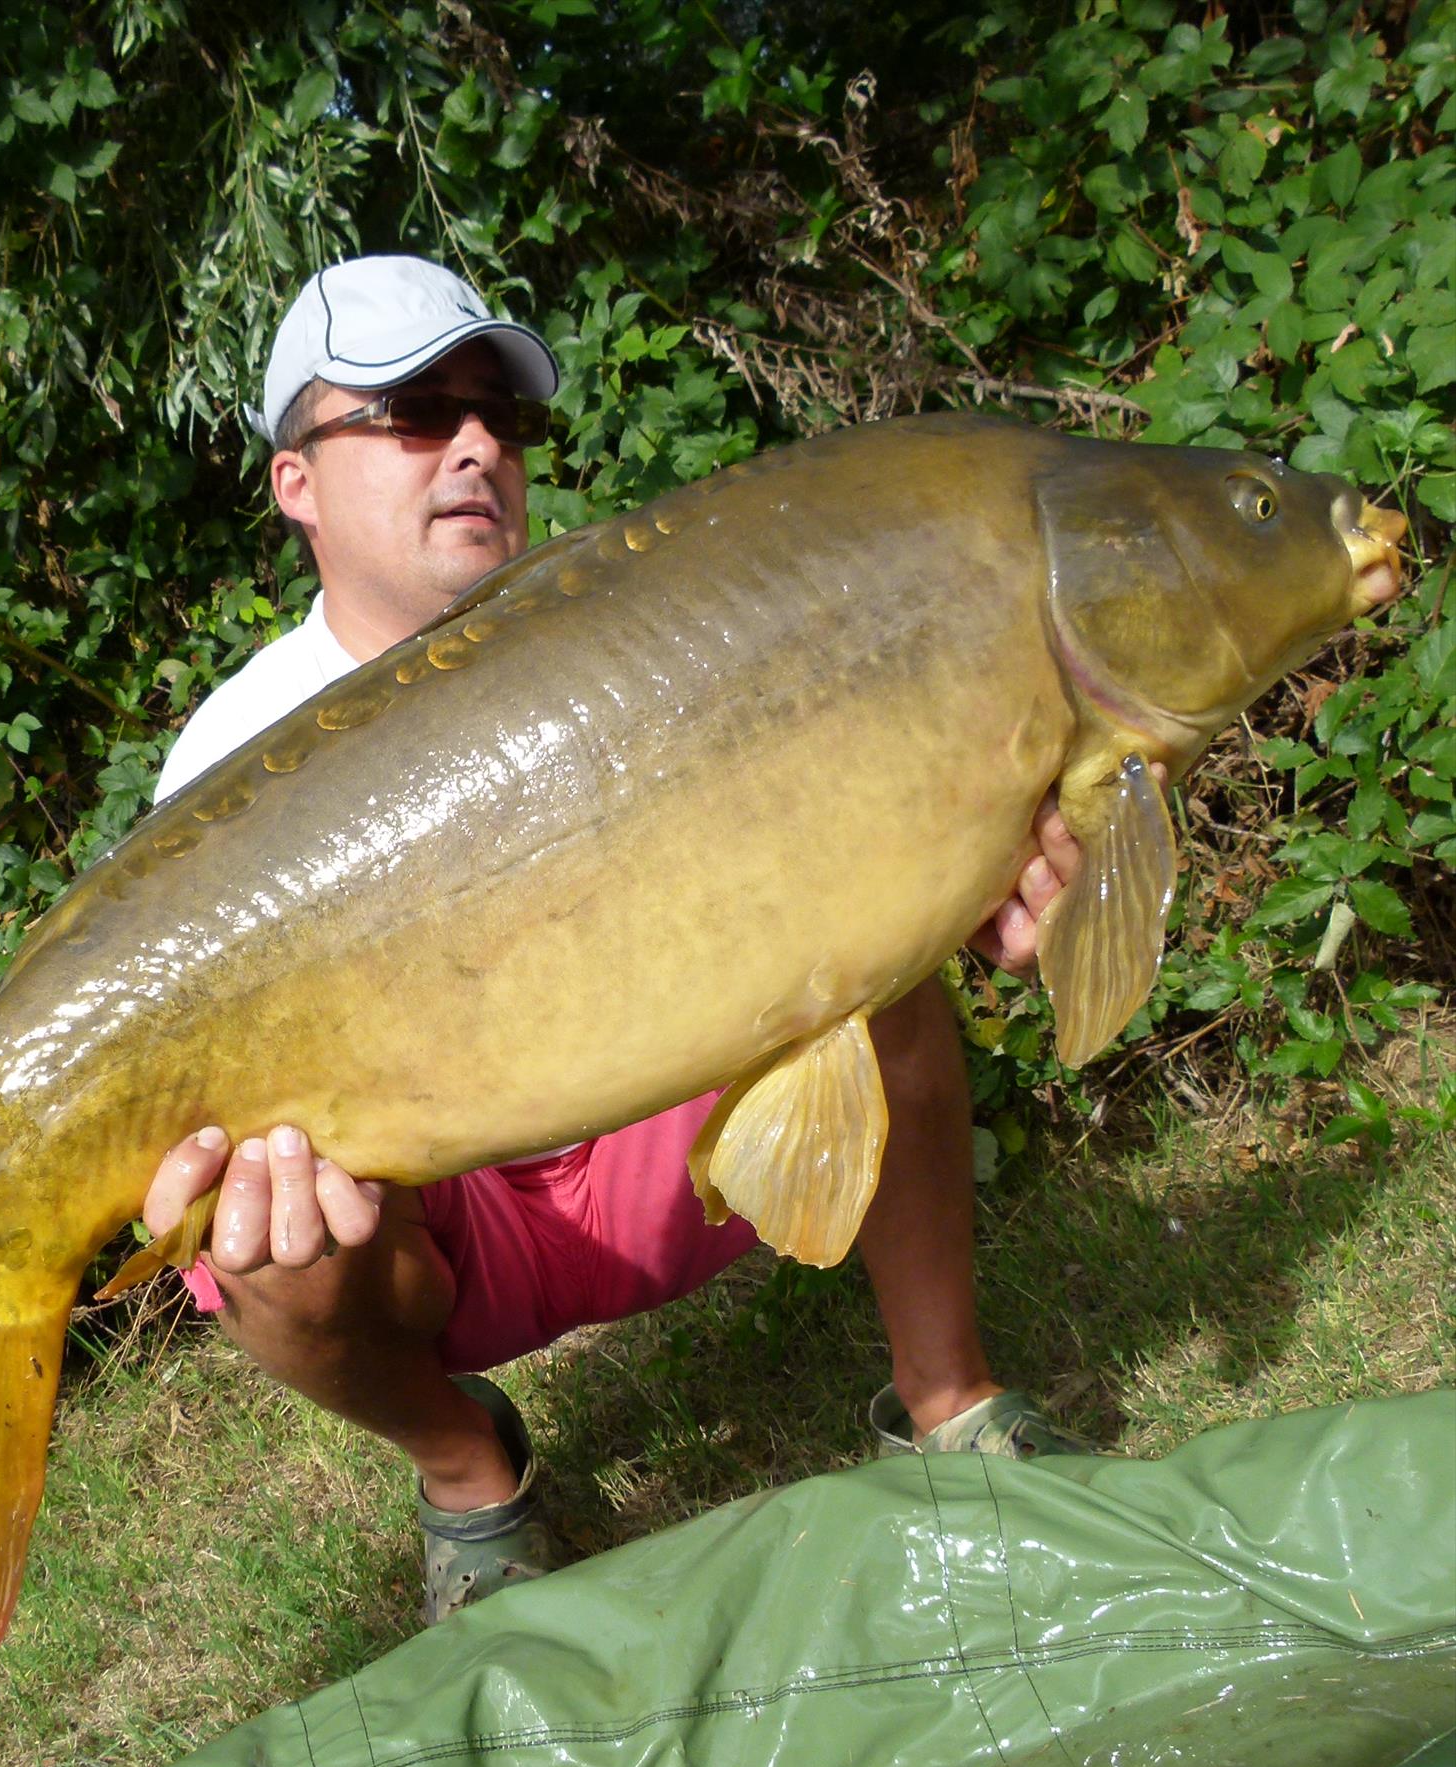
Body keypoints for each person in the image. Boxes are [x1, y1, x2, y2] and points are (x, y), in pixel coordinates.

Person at [142, 256, 1091, 1624]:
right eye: (416, 413)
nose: (476, 446)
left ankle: (953, 1405)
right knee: (251, 1240)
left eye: (500, 418)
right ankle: (472, 1471)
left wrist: (978, 859)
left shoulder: (648, 624)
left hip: (682, 1146)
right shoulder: (232, 766)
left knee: (868, 926)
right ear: (295, 481)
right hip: (441, 1233)